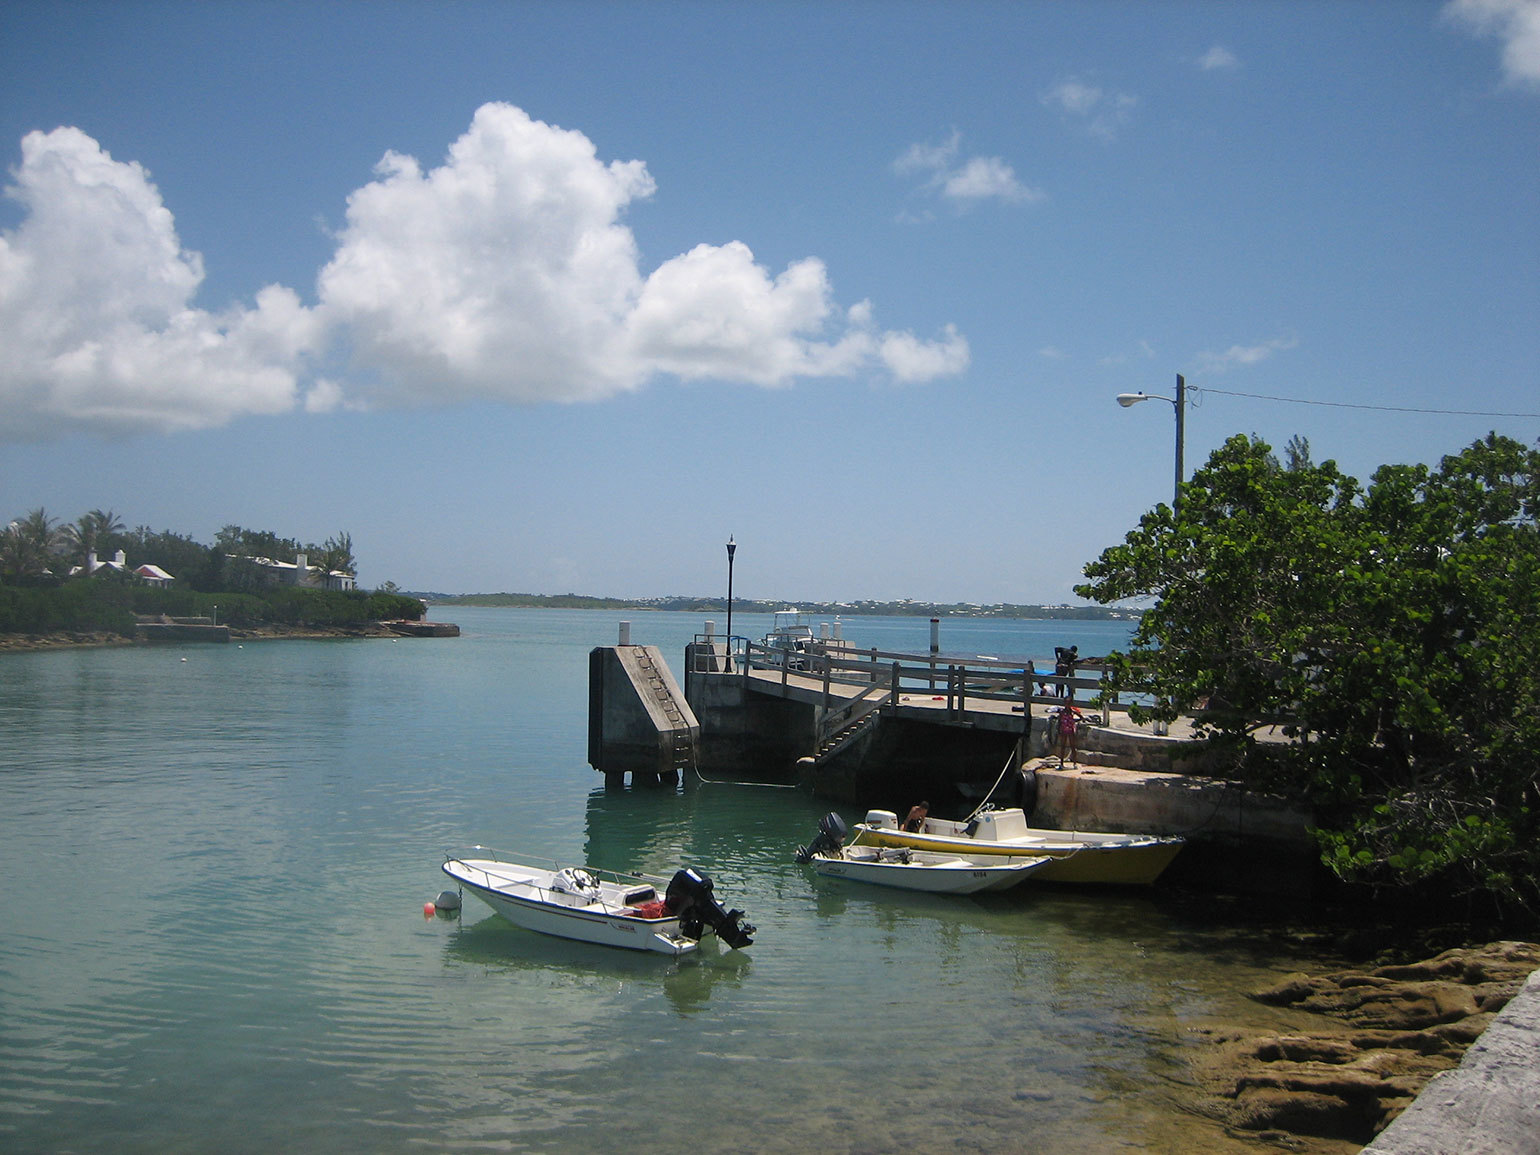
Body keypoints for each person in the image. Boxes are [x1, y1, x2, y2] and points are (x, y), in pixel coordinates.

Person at [1053, 695, 1082, 766]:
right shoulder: (1062, 712)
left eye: (1069, 703)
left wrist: (1074, 721)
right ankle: (1061, 763)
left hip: (1071, 730)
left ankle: (1074, 763)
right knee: (1062, 747)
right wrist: (1058, 730)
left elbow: (1081, 717)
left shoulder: (1073, 712)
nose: (1067, 705)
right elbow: (1059, 721)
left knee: (1073, 747)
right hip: (1063, 730)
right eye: (1066, 703)